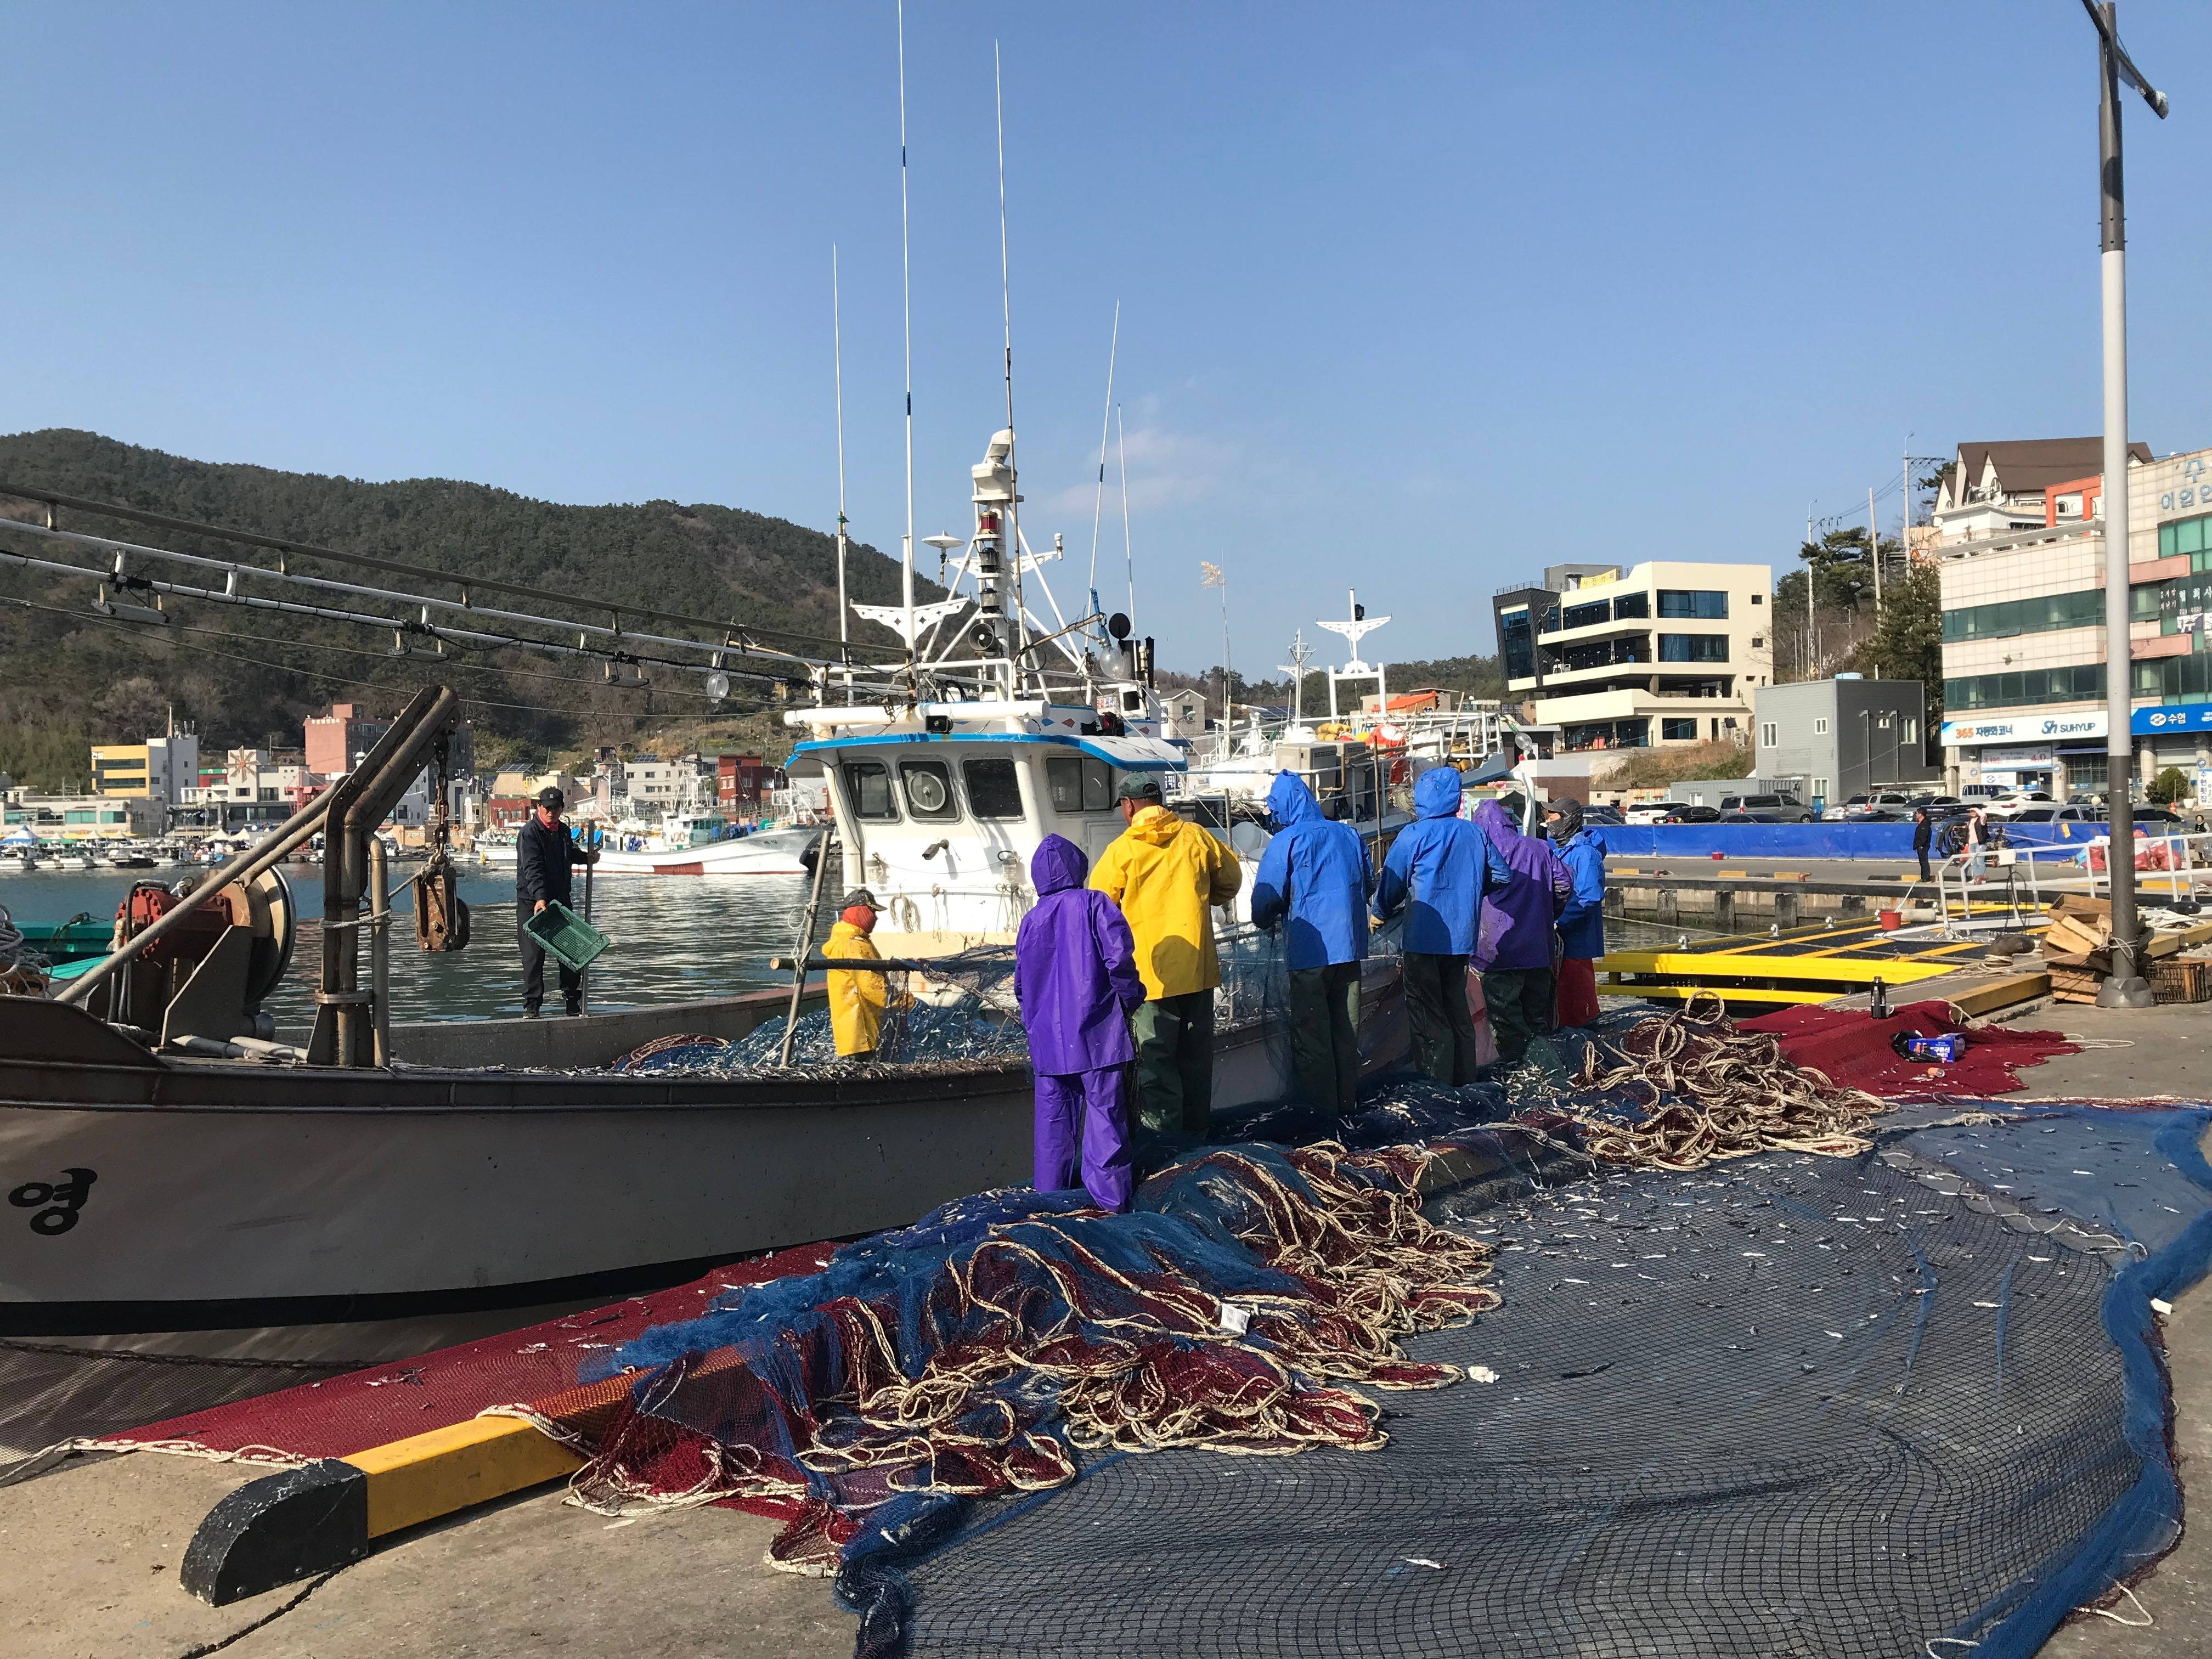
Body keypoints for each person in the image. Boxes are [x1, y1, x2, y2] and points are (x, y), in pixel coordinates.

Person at [1089, 773, 1242, 1135]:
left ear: (1128, 807)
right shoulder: (1197, 837)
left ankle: (1166, 1153)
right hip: (1198, 975)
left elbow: (1098, 914)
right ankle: (1197, 1143)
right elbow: (1231, 881)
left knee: (1156, 1069)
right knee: (1196, 1065)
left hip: (1149, 982)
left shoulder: (1121, 852)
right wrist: (1206, 897)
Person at [1015, 835, 1146, 1210]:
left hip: (1048, 1045)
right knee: (1105, 1120)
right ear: (1078, 865)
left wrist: (1036, 1029)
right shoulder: (1094, 905)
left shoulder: (1031, 920)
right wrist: (1131, 997)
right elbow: (1119, 960)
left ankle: (1051, 1203)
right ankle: (1110, 1205)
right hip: (1097, 1034)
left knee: (1053, 1128)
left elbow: (1022, 986)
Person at [1375, 765, 1512, 1085]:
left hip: (1423, 939)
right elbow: (1503, 876)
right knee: (1457, 1010)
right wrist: (1474, 888)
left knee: (1429, 1015)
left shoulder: (1413, 835)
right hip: (1462, 939)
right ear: (1456, 797)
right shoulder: (1474, 833)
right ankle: (1465, 1082)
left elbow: (1392, 886)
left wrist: (1379, 912)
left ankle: (1437, 1090)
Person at [1250, 771, 1373, 1112]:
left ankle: (1322, 1119)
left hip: (1309, 953)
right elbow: (1370, 880)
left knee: (1313, 1037)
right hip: (1349, 951)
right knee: (1345, 1033)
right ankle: (1347, 1108)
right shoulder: (1347, 833)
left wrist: (1266, 920)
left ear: (1283, 808)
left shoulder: (1285, 841)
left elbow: (1265, 900)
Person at [1469, 794, 1573, 1065]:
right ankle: (1550, 1067)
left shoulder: (1480, 852)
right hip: (1539, 950)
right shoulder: (1539, 847)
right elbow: (1564, 884)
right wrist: (1551, 913)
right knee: (1537, 1018)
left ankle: (1525, 1071)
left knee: (1506, 1021)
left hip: (1500, 953)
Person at [516, 786, 597, 1018]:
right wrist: (540, 898)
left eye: (556, 808)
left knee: (571, 953)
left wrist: (585, 858)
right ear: (539, 808)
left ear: (562, 809)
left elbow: (568, 853)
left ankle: (572, 1002)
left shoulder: (563, 830)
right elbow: (532, 868)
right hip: (532, 904)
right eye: (547, 808)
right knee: (533, 957)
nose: (552, 812)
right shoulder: (529, 834)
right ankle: (532, 1007)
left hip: (560, 903)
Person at [1547, 797, 1606, 1030]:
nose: (1548, 822)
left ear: (1568, 820)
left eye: (1552, 818)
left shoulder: (1585, 855)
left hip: (1577, 945)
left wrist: (1558, 921)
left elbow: (1589, 897)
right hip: (1563, 945)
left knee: (1580, 1010)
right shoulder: (1563, 851)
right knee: (1562, 1008)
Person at [823, 888, 894, 1059]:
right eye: (871, 911)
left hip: (854, 1036)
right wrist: (909, 1003)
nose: (875, 918)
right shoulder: (853, 945)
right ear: (859, 911)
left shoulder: (849, 940)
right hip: (861, 1036)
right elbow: (872, 987)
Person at [1912, 806, 1934, 883]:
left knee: (1924, 862)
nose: (1916, 815)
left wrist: (1921, 845)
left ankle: (1926, 878)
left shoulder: (1925, 824)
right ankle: (1923, 877)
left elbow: (1924, 836)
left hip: (1923, 846)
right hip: (1920, 846)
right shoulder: (1921, 824)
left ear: (1921, 814)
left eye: (1917, 813)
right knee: (1922, 862)